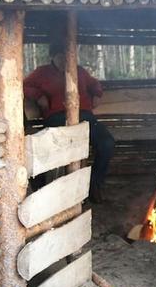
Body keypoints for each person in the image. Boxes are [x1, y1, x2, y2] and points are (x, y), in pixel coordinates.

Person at [23, 43, 115, 203]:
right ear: (52, 57)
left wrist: (97, 94)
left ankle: (94, 184)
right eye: (60, 57)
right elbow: (23, 86)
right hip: (57, 118)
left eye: (67, 57)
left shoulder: (79, 71)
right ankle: (42, 191)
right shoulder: (42, 73)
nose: (64, 60)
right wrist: (38, 95)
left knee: (107, 143)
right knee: (41, 149)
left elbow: (95, 84)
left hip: (85, 118)